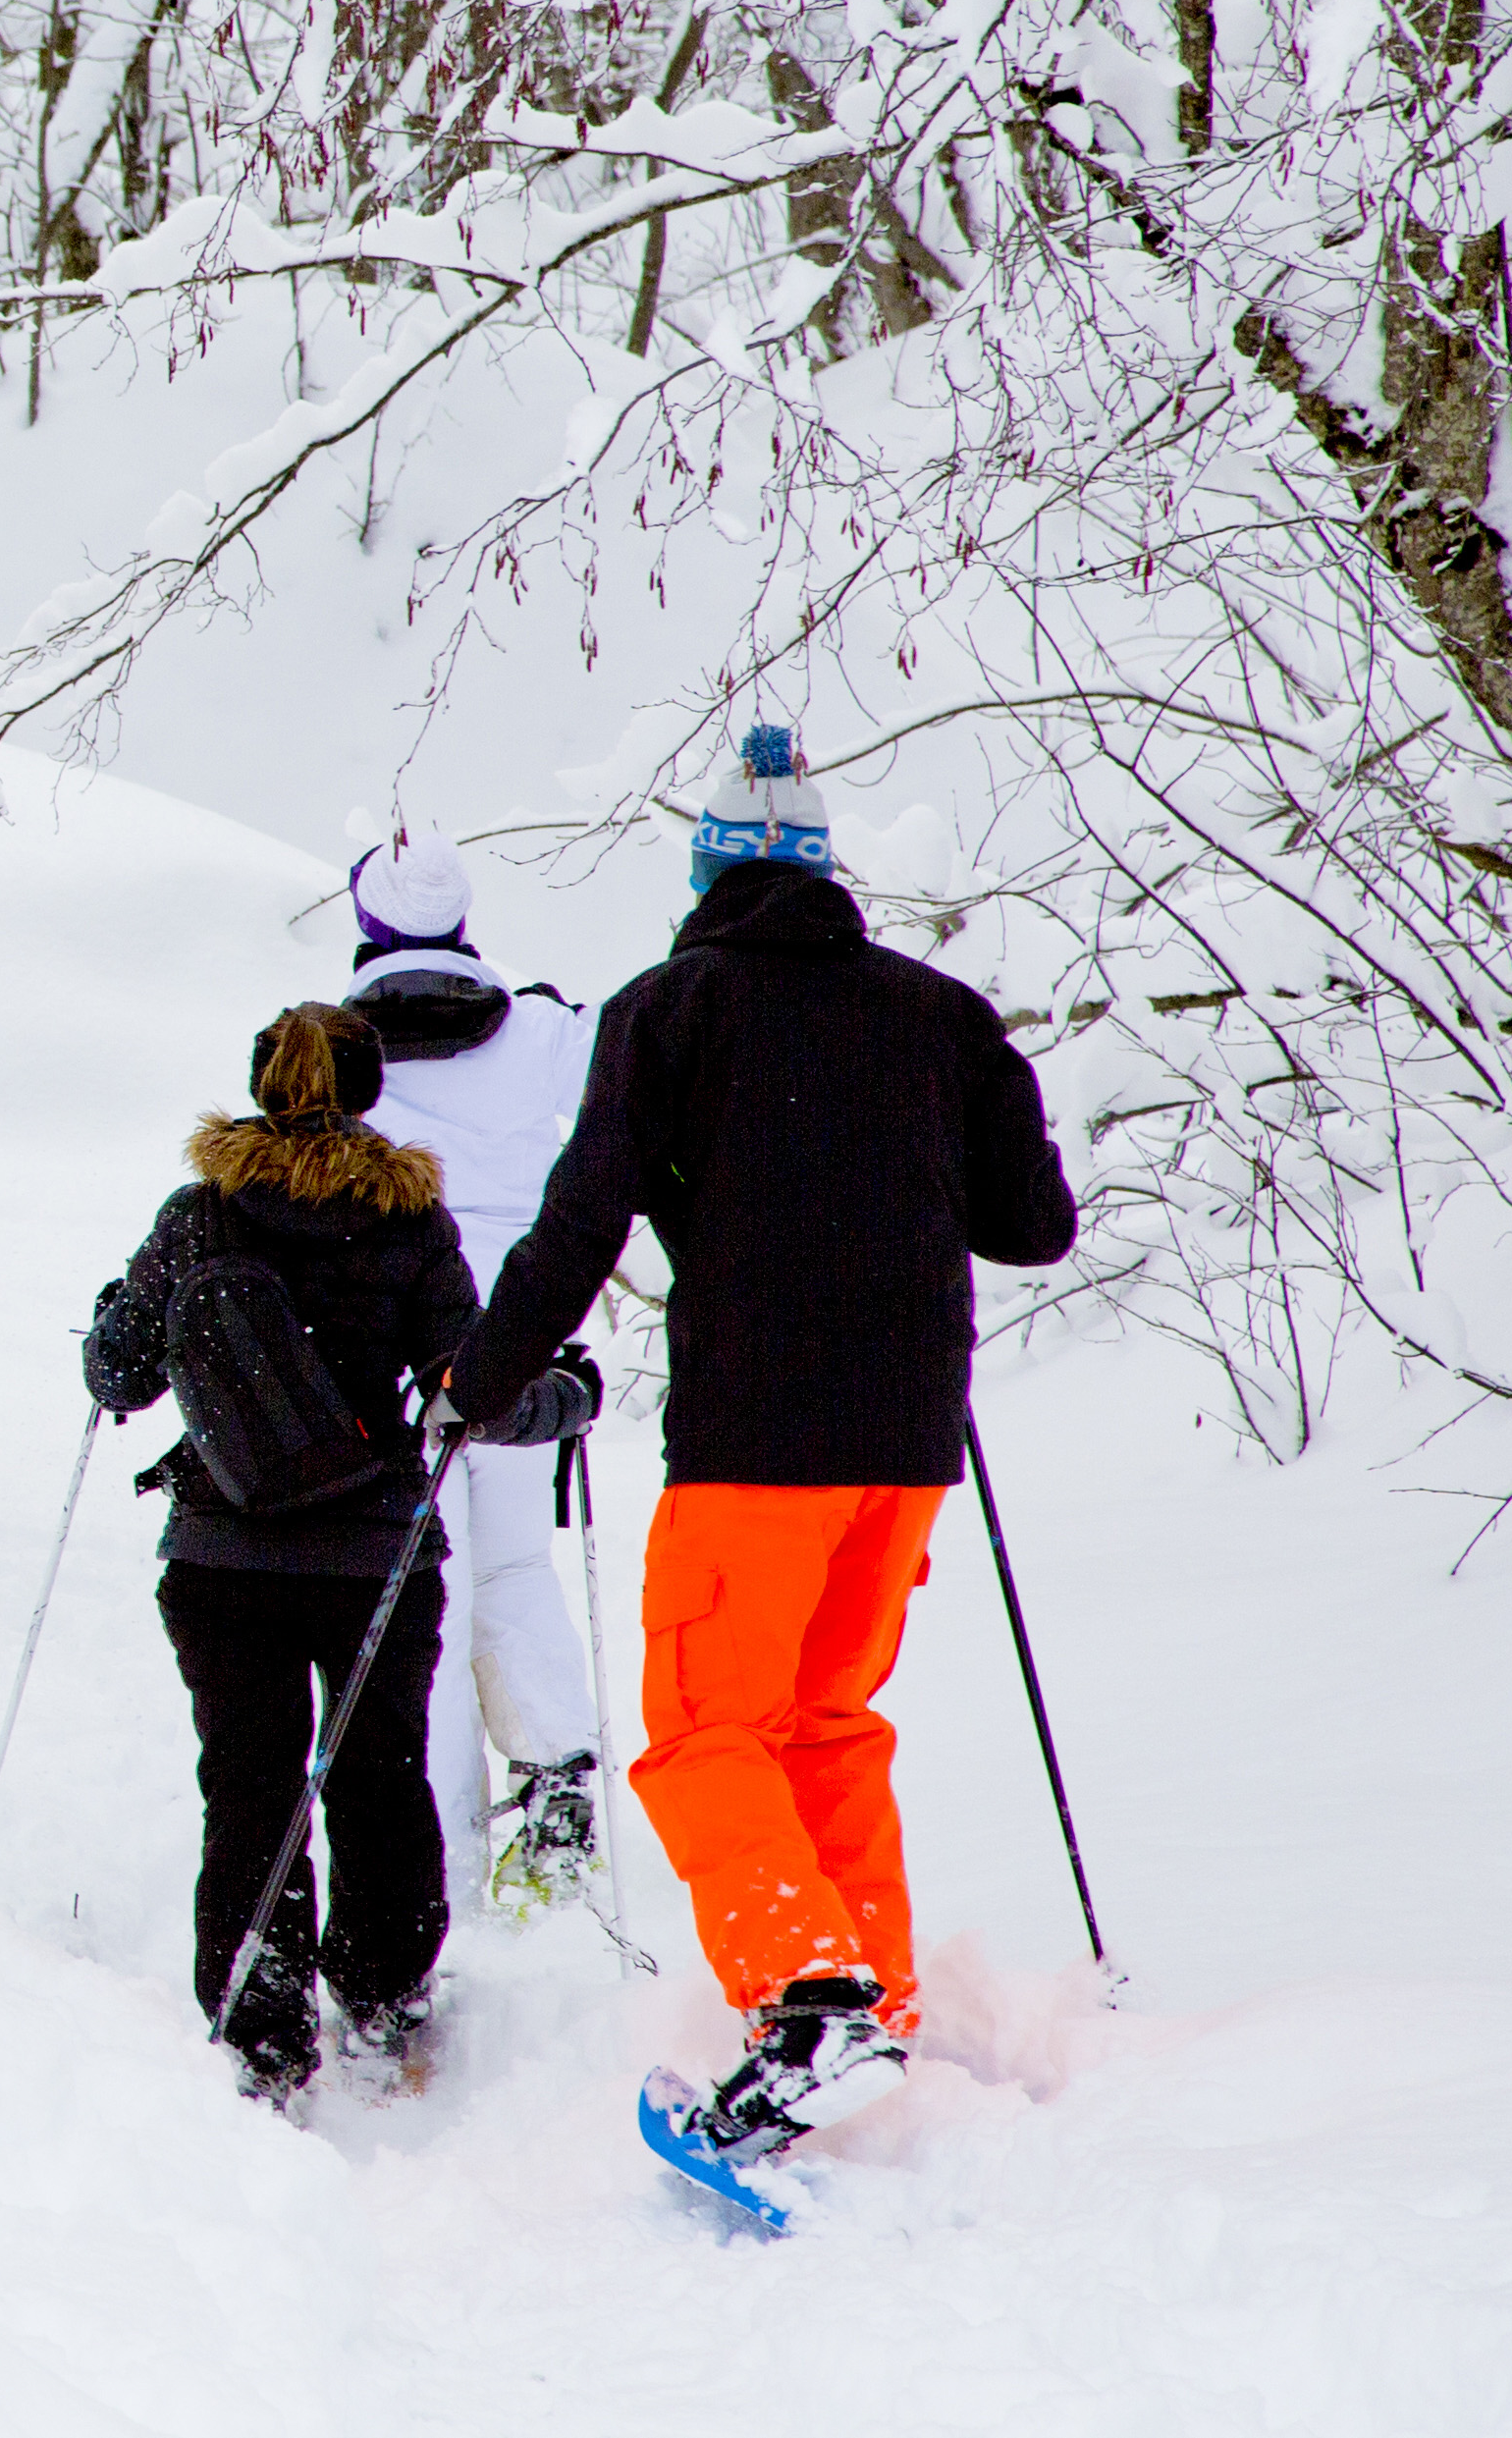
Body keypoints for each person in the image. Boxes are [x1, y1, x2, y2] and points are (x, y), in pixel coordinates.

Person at [444, 725, 1079, 2169]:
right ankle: (870, 2000)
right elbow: (1031, 1226)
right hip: (905, 1441)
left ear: (707, 875)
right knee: (822, 1722)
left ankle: (807, 2003)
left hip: (753, 1435)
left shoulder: (671, 1009)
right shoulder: (938, 1014)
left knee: (705, 1729)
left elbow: (579, 1222)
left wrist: (475, 1378)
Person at [83, 1002, 594, 2109]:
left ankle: (258, 2026)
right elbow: (469, 1395)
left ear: (263, 1085)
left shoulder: (198, 1214)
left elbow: (118, 1376)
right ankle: (381, 1991)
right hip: (374, 1554)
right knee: (377, 1779)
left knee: (250, 1785)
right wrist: (566, 1395)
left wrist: (112, 1320)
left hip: (222, 1555)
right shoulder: (409, 1222)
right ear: (366, 1091)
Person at [339, 827, 611, 1913]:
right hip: (520, 1328)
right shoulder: (542, 1028)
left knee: (418, 1589)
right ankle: (554, 1778)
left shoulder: (334, 1040)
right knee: (508, 1566)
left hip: (396, 1338)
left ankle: (434, 1836)